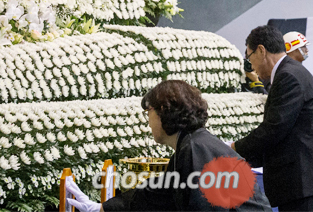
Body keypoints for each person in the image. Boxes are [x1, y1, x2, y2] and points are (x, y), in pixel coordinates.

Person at [64, 80, 273, 211]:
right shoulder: (191, 144)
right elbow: (155, 195)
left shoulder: (196, 149)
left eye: (149, 113)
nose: (148, 121)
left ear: (162, 111)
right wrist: (100, 208)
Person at [232, 25, 313, 211]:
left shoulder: (288, 76)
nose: (252, 67)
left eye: (250, 58)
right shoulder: (292, 71)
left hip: (305, 183)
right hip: (307, 182)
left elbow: (274, 128)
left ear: (261, 50)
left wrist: (234, 148)